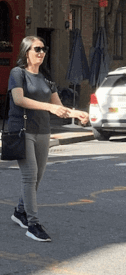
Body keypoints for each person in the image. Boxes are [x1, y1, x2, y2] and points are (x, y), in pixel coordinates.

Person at [7, 36, 88, 242]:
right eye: (37, 49)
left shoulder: (46, 79)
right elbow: (19, 99)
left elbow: (58, 107)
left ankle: (19, 212)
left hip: (43, 132)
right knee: (30, 176)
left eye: (44, 49)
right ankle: (33, 224)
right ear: (27, 52)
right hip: (22, 131)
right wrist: (50, 107)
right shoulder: (18, 73)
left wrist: (76, 113)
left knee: (38, 177)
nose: (42, 53)